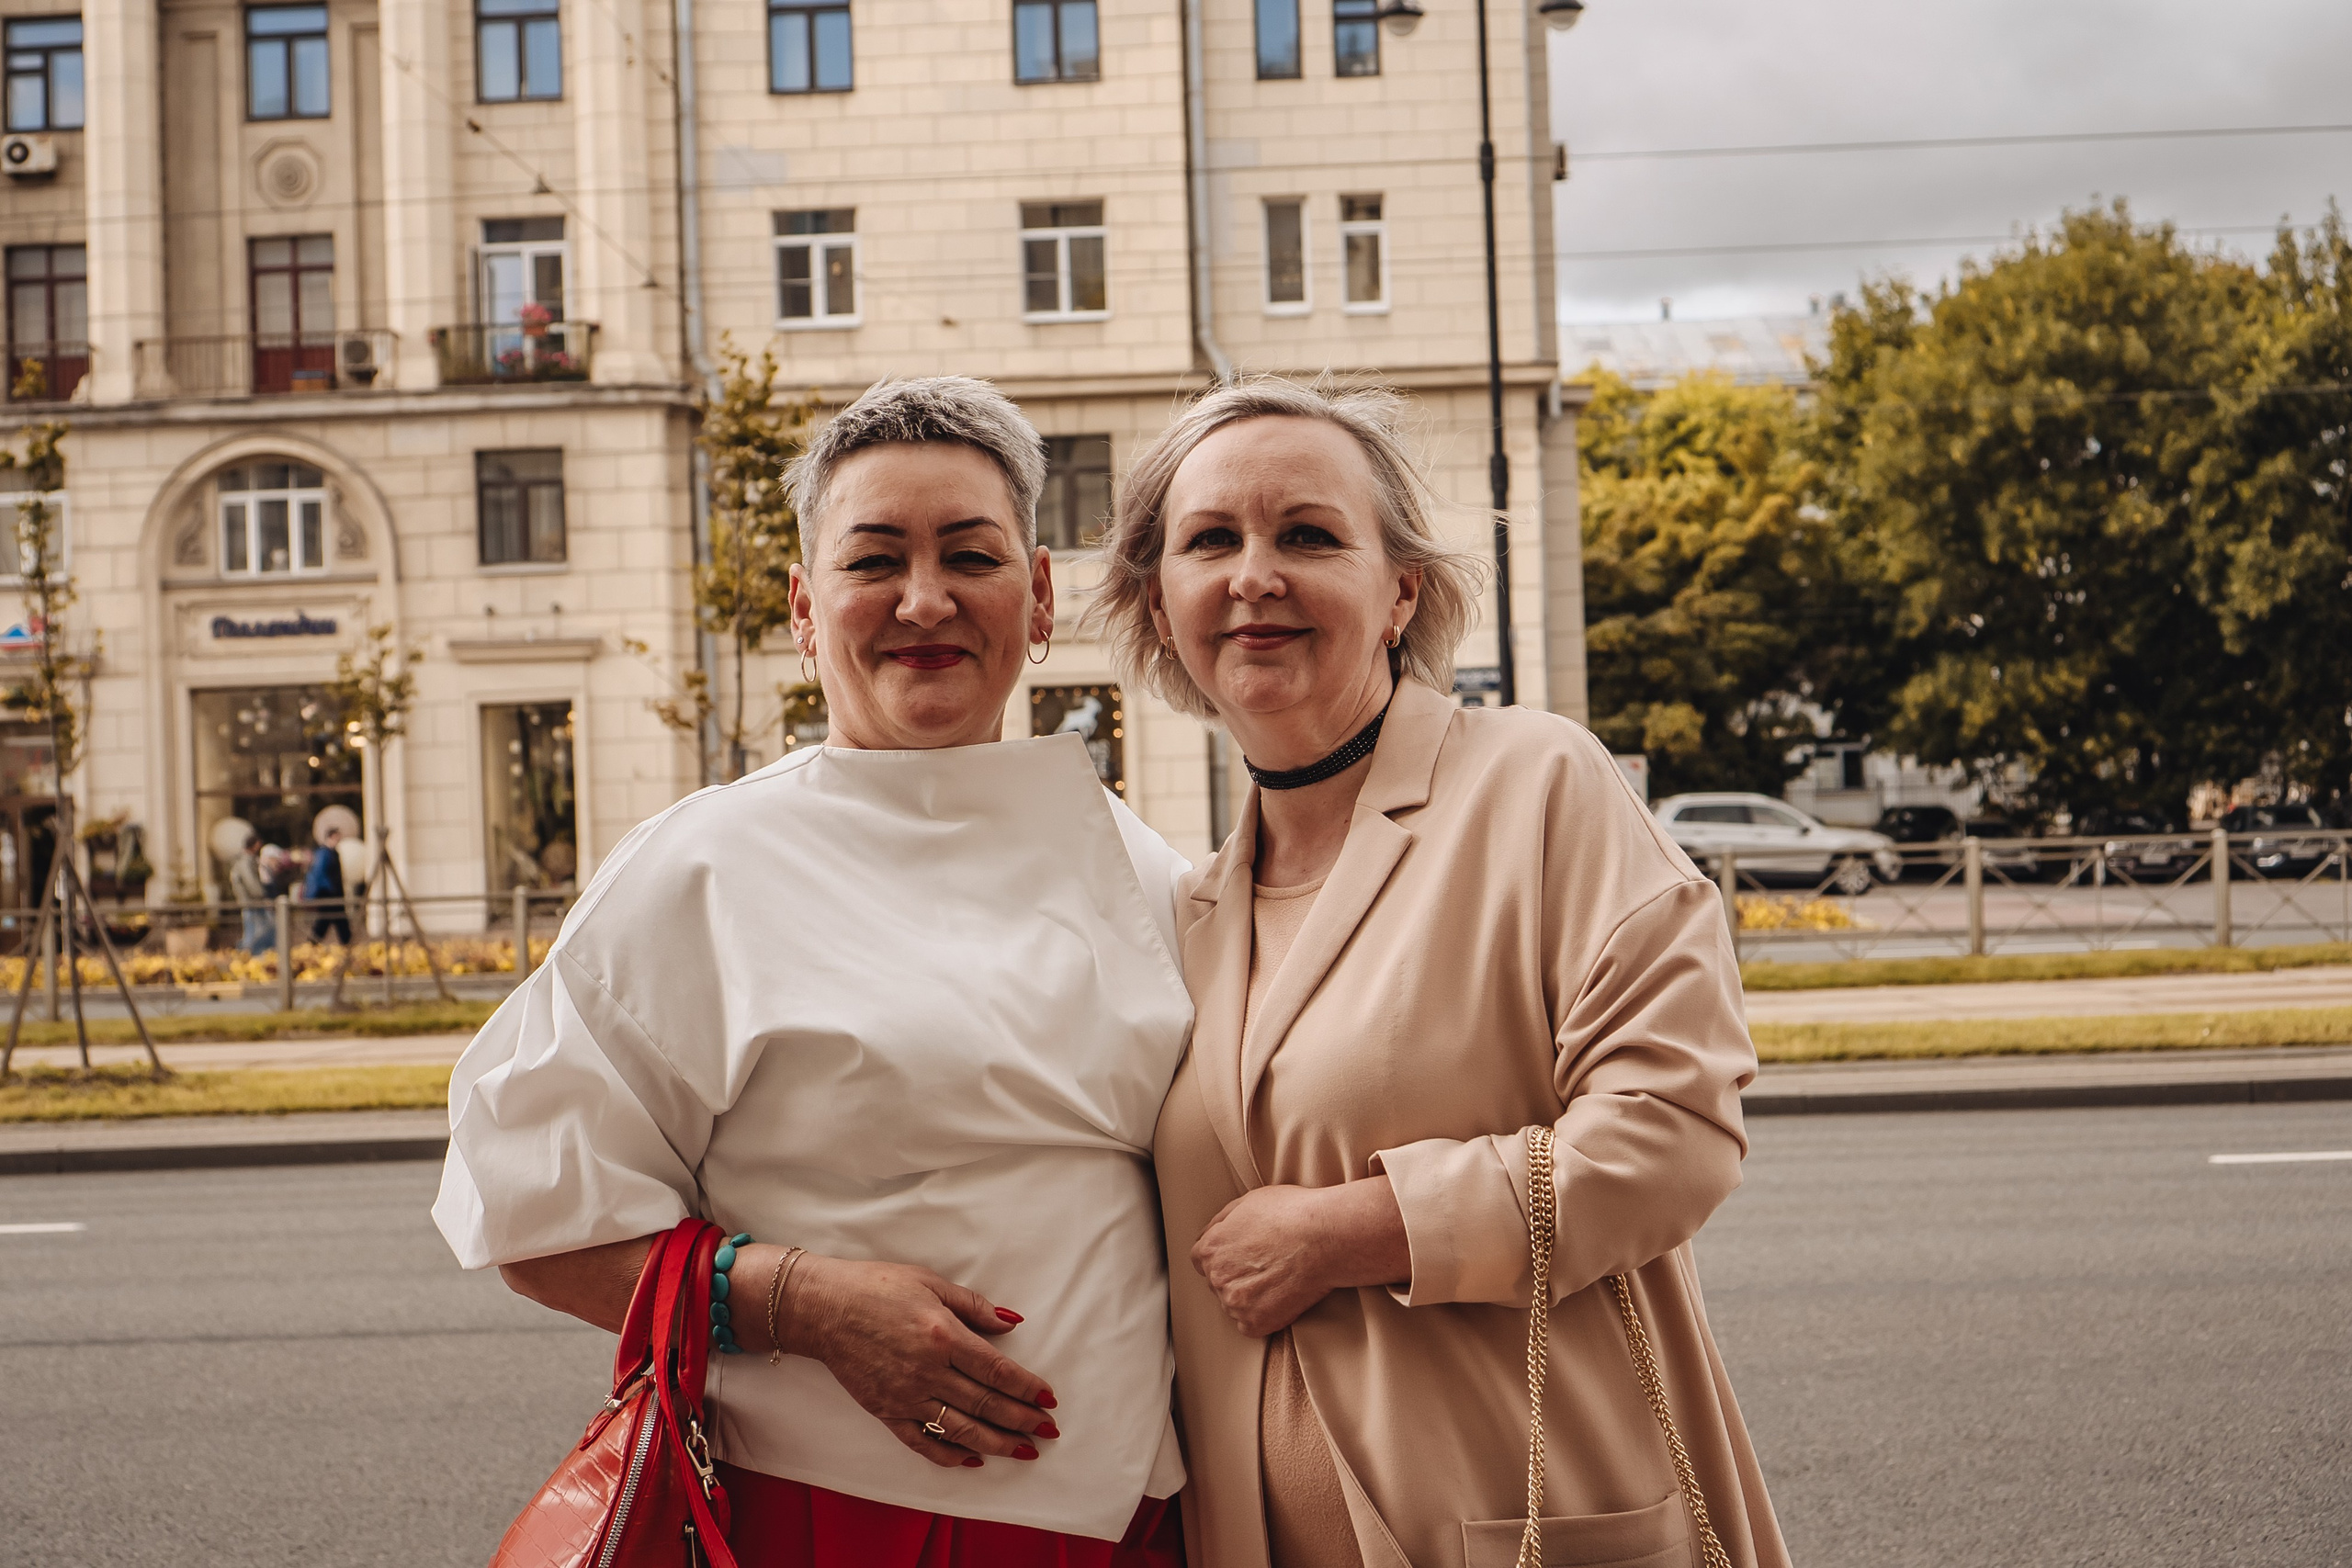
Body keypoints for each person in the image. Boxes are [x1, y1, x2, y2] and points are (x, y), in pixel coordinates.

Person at [433, 377, 1193, 1568]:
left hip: (1143, 1528)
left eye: (971, 554)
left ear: (1040, 595)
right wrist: (805, 1303)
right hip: (839, 1526)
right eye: (874, 558)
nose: (925, 598)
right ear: (803, 606)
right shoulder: (705, 864)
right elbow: (531, 1215)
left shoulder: (1140, 859)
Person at [1088, 378, 1791, 1568]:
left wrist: (1354, 1228)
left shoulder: (1535, 783)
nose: (1255, 573)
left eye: (1306, 533)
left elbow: (1674, 1133)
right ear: (1161, 605)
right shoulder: (1185, 909)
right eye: (1212, 540)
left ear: (1400, 587)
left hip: (1541, 1519)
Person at [302, 825, 350, 943]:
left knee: (329, 920)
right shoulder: (324, 853)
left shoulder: (331, 853)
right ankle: (346, 943)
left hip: (333, 892)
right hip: (329, 893)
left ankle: (315, 942)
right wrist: (329, 889)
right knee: (331, 920)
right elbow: (320, 874)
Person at [229, 833, 272, 953]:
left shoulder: (244, 860)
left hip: (250, 902)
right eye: (258, 845)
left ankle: (248, 954)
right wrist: (262, 895)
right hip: (252, 902)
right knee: (255, 931)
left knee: (254, 930)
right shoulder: (245, 861)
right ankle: (247, 955)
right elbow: (251, 882)